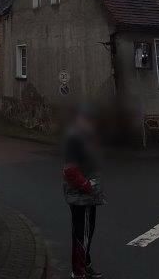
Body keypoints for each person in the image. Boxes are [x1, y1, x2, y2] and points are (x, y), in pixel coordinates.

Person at [62, 106, 105, 279]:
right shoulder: (75, 138)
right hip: (82, 196)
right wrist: (87, 186)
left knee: (86, 232)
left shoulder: (85, 137)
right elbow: (70, 170)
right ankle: (79, 272)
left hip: (87, 195)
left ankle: (85, 265)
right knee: (82, 234)